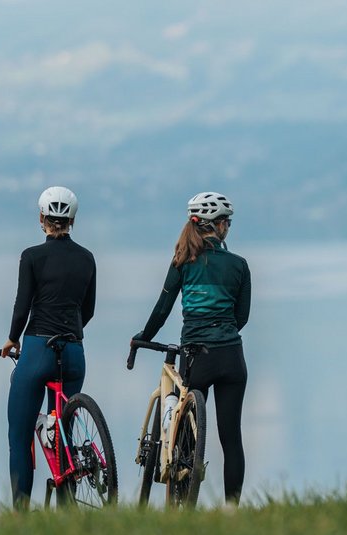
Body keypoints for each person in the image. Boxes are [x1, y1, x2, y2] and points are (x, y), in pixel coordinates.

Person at [134, 191, 251, 505]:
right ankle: (231, 509)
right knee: (231, 437)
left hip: (196, 355)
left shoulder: (182, 261)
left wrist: (142, 336)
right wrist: (222, 335)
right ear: (219, 225)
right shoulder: (239, 265)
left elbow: (162, 309)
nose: (229, 226)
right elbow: (241, 317)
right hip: (231, 358)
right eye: (228, 221)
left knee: (185, 432)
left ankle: (183, 498)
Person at [1, 186, 97, 509]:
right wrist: (71, 330)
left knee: (20, 435)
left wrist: (12, 338)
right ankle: (68, 509)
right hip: (73, 352)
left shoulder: (31, 256)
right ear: (72, 220)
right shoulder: (87, 258)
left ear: (41, 218)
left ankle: (20, 515)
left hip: (37, 348)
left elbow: (22, 307)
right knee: (64, 432)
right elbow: (89, 310)